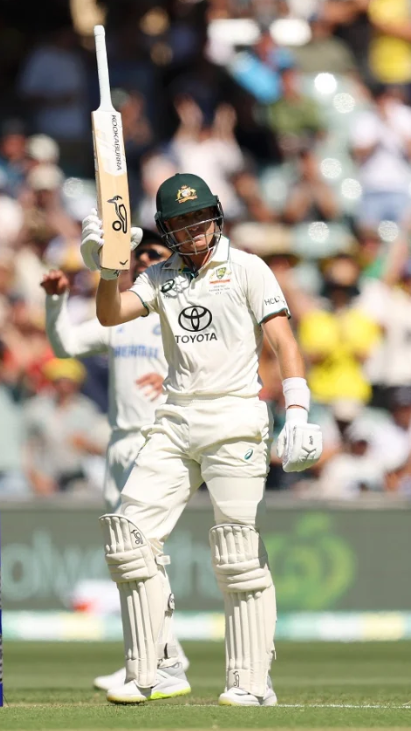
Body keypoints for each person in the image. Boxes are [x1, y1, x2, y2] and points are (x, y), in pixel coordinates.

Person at [82, 173, 323, 706]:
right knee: (128, 537)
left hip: (236, 416)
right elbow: (109, 314)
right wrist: (106, 269)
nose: (193, 231)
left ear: (215, 216)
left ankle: (251, 682)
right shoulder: (161, 275)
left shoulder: (246, 268)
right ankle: (154, 670)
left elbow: (283, 340)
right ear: (166, 230)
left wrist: (299, 411)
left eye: (200, 219)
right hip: (174, 418)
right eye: (181, 223)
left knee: (236, 549)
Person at [42, 232, 191, 692]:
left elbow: (215, 360)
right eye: (140, 255)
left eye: (155, 256)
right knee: (124, 556)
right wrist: (56, 303)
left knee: (143, 552)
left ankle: (162, 662)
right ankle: (146, 660)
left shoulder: (179, 314)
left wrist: (171, 375)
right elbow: (64, 345)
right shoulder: (119, 315)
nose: (144, 260)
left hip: (158, 441)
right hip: (119, 443)